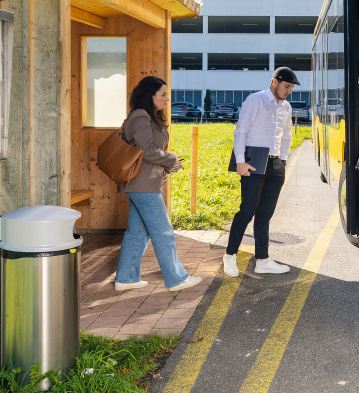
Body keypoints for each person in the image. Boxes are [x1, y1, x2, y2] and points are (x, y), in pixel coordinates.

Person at [114, 76, 202, 294]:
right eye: (162, 94)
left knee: (138, 232)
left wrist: (168, 164)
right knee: (163, 232)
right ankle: (176, 278)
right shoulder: (140, 116)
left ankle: (126, 278)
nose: (167, 98)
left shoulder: (147, 117)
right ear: (150, 96)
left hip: (142, 183)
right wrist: (171, 158)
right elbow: (147, 150)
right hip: (143, 185)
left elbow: (148, 152)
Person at [222, 66, 299, 278]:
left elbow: (286, 135)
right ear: (274, 82)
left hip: (275, 165)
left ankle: (262, 260)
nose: (288, 91)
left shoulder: (286, 107)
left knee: (265, 215)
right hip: (253, 162)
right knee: (247, 212)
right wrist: (239, 162)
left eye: (291, 88)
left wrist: (283, 161)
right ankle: (229, 256)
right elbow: (242, 131)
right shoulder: (255, 100)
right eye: (286, 86)